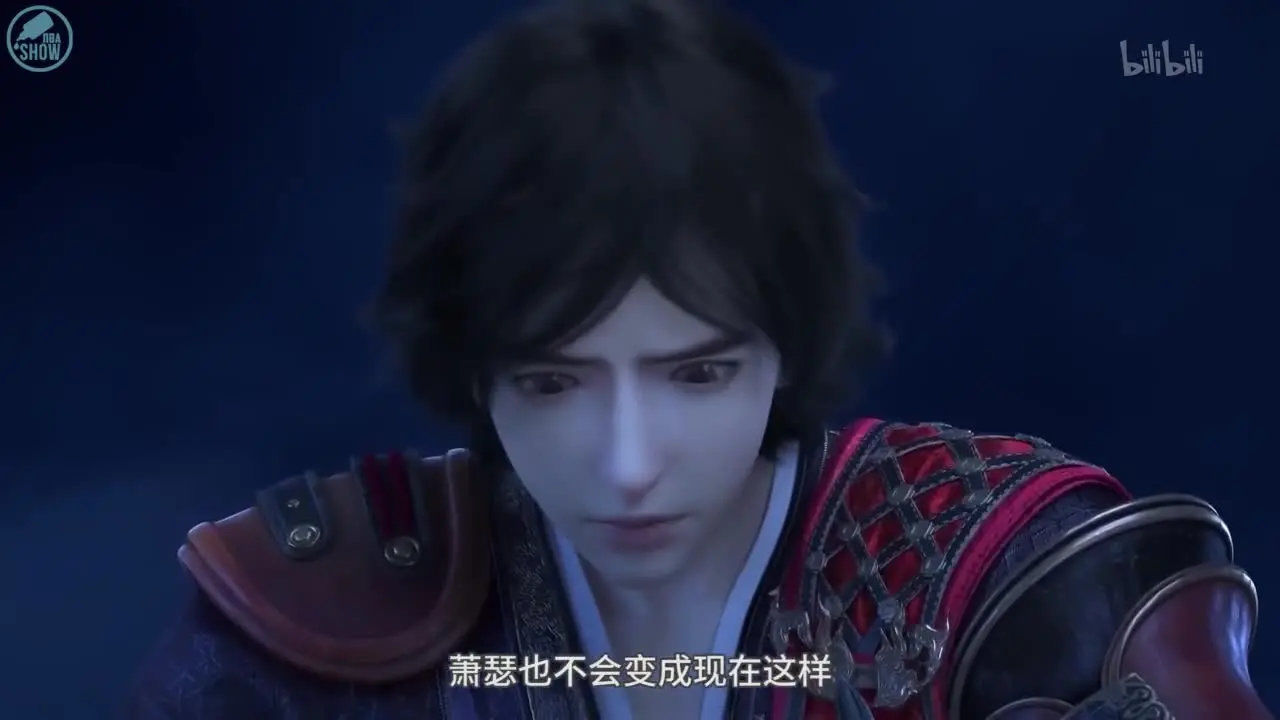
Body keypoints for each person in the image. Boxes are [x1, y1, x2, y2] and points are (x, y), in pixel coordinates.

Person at [122, 0, 1271, 718]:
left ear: (788, 343)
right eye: (552, 382)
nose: (628, 465)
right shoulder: (312, 614)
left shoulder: (994, 571)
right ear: (475, 371)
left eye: (696, 373)